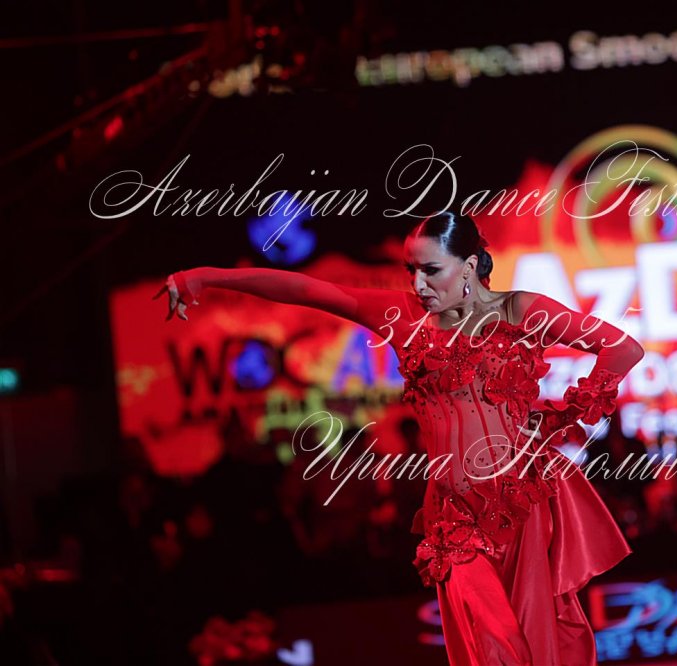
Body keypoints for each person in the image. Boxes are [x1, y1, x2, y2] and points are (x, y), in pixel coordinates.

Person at [155, 211, 645, 665]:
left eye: (431, 270)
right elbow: (305, 289)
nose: (418, 284)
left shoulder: (519, 311)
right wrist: (208, 276)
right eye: (411, 270)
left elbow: (622, 348)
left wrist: (558, 420)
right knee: (493, 647)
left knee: (534, 648)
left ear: (469, 265)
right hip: (454, 518)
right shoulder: (402, 316)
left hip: (521, 508)